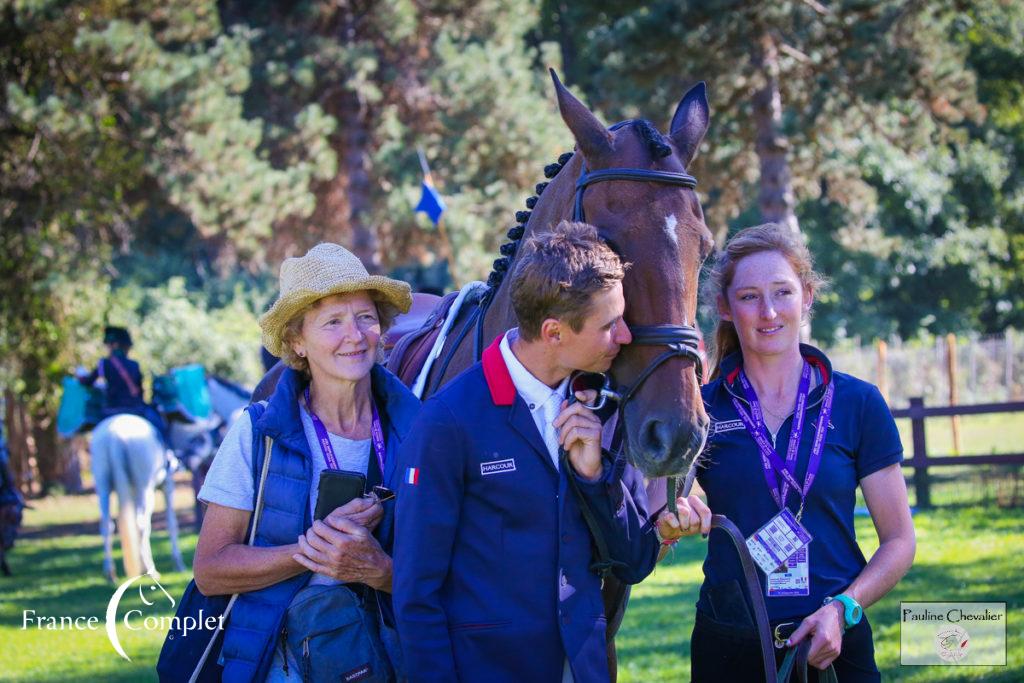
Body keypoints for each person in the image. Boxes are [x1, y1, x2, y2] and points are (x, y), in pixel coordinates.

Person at [393, 221, 661, 683]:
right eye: (609, 325)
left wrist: (596, 478)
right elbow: (417, 593)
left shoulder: (605, 407)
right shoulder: (447, 422)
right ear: (555, 332)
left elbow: (635, 562)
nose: (625, 337)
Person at [660, 223, 916, 682]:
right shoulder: (700, 408)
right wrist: (675, 515)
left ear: (808, 296)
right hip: (730, 643)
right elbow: (659, 525)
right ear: (724, 307)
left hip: (834, 640)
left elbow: (899, 542)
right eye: (749, 296)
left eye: (783, 292)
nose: (769, 312)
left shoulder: (858, 403)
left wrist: (845, 608)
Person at [192, 243, 419, 682]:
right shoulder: (259, 432)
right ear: (297, 341)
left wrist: (381, 570)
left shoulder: (421, 430)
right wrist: (312, 550)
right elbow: (210, 571)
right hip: (282, 664)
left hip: (396, 662)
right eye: (332, 322)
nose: (354, 335)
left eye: (366, 317)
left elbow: (452, 573)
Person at [76, 326, 170, 444]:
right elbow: (140, 392)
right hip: (136, 409)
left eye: (108, 345)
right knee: (160, 428)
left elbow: (88, 382)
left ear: (114, 345)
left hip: (110, 411)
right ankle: (168, 451)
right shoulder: (134, 365)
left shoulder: (104, 364)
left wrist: (80, 376)